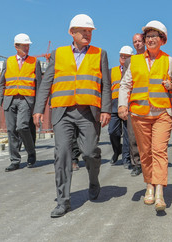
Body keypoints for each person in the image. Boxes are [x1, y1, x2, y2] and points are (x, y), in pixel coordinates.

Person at [33, 14, 111, 218]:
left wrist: (106, 109)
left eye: (90, 31)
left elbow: (106, 86)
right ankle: (63, 200)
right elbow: (46, 83)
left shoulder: (100, 53)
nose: (87, 34)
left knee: (89, 152)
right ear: (72, 32)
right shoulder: (58, 54)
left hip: (88, 111)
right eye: (83, 31)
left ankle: (94, 180)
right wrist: (38, 109)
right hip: (62, 112)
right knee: (63, 154)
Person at [119, 21, 172, 212]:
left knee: (159, 150)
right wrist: (122, 105)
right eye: (148, 36)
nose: (151, 39)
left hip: (162, 113)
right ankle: (149, 185)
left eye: (155, 36)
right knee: (145, 153)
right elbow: (126, 85)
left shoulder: (170, 61)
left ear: (162, 40)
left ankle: (159, 190)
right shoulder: (134, 61)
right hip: (139, 113)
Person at [0, 33, 42, 171]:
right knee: (11, 130)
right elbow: (1, 84)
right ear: (16, 46)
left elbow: (39, 85)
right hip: (9, 100)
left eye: (28, 45)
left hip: (26, 100)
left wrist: (38, 107)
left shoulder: (35, 62)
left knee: (22, 127)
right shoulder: (8, 61)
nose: (27, 48)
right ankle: (15, 161)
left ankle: (31, 152)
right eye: (24, 46)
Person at [122, 33, 145, 176]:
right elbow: (125, 84)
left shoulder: (152, 58)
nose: (137, 44)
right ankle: (137, 163)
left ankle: (150, 162)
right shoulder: (129, 62)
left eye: (139, 41)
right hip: (133, 103)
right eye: (134, 42)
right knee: (132, 135)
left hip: (150, 102)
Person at [109, 46, 133, 164]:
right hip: (114, 105)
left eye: (126, 56)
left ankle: (126, 158)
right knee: (113, 131)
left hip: (128, 104)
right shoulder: (112, 71)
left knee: (128, 134)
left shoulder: (134, 70)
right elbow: (107, 89)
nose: (123, 58)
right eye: (121, 56)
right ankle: (117, 150)